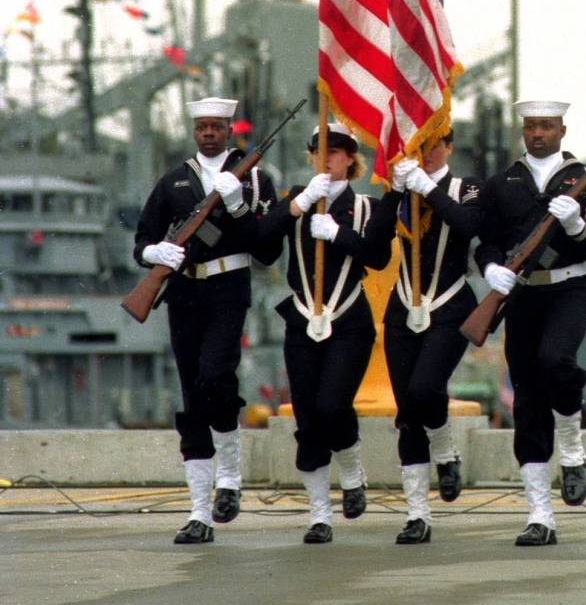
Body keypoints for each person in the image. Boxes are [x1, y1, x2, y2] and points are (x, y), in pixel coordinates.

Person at [133, 96, 281, 545]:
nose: (210, 134)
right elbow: (142, 238)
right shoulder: (174, 181)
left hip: (228, 290)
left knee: (217, 376)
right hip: (184, 291)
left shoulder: (255, 180)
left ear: (230, 129)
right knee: (192, 395)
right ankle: (199, 512)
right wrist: (153, 254)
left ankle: (230, 480)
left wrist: (238, 209)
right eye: (203, 128)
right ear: (195, 131)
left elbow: (267, 250)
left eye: (217, 126)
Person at [476, 100, 586, 546]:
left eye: (547, 126)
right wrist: (490, 270)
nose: (538, 133)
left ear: (562, 129)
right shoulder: (502, 184)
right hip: (521, 293)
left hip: (569, 289)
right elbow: (486, 242)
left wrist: (577, 226)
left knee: (556, 360)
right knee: (528, 402)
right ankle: (540, 514)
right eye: (531, 126)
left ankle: (573, 446)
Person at [262, 122, 393, 544]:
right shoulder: (297, 201)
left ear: (351, 158)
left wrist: (339, 234)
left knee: (333, 405)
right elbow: (262, 240)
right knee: (307, 419)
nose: (327, 158)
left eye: (336, 152)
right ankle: (320, 515)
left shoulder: (367, 208)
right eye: (320, 151)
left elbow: (376, 255)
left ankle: (352, 469)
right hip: (303, 319)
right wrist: (297, 205)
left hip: (349, 320)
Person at [372, 130, 481, 544]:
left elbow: (469, 224)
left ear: (450, 146)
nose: (428, 152)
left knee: (425, 387)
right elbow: (374, 247)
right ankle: (417, 514)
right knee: (407, 413)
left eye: (435, 144)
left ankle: (445, 447)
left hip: (451, 305)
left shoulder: (467, 188)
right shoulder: (403, 190)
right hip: (403, 307)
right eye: (420, 145)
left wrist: (428, 189)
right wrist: (393, 192)